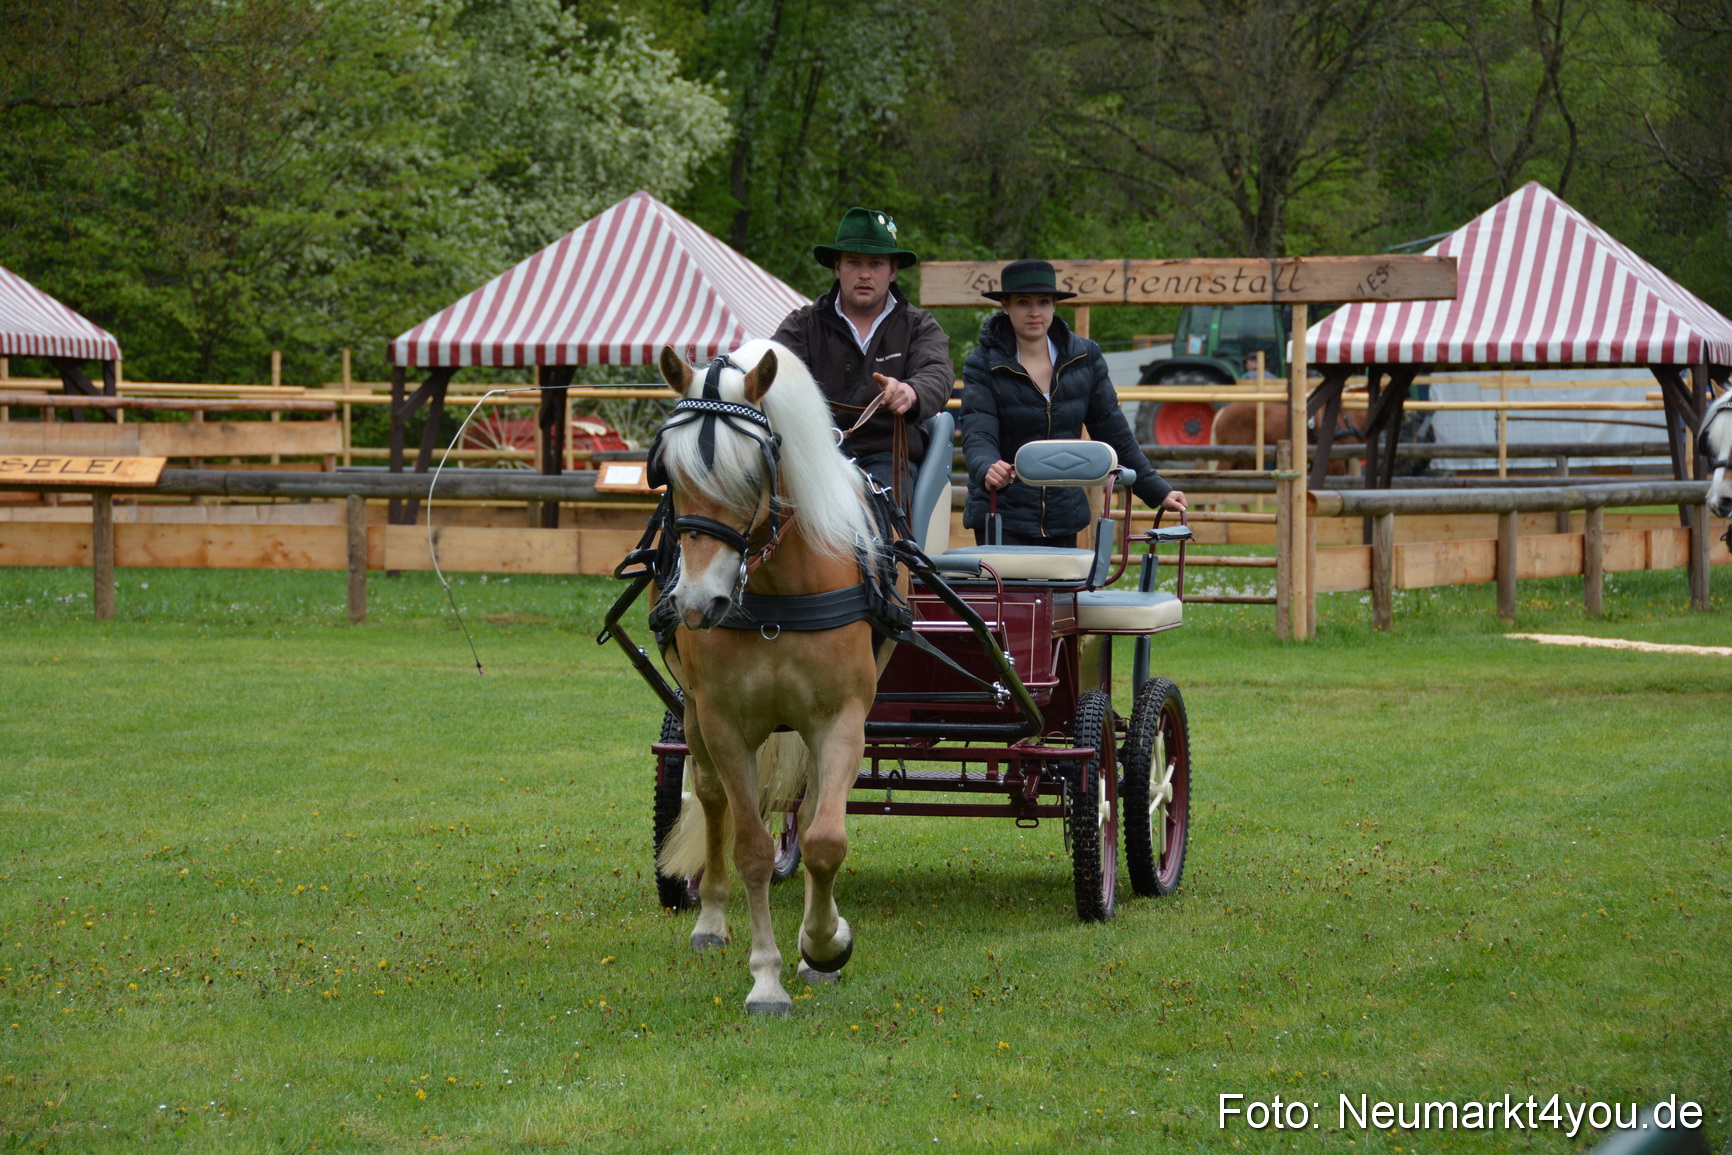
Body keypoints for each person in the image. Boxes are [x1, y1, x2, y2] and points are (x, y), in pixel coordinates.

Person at [959, 258, 1187, 548]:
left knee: (1060, 594)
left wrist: (1158, 491)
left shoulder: (1085, 358)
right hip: (1001, 511)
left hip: (1063, 515)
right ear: (1005, 305)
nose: (1034, 312)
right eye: (1022, 302)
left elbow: (1113, 431)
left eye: (1043, 301)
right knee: (1013, 595)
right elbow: (978, 431)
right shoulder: (982, 364)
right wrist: (986, 466)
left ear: (1055, 305)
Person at [772, 207, 954, 504]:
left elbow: (937, 371)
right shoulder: (803, 325)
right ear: (837, 266)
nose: (865, 274)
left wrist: (910, 392)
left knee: (873, 519)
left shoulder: (918, 325)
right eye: (854, 262)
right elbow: (771, 372)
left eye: (876, 263)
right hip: (811, 457)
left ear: (893, 270)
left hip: (888, 459)